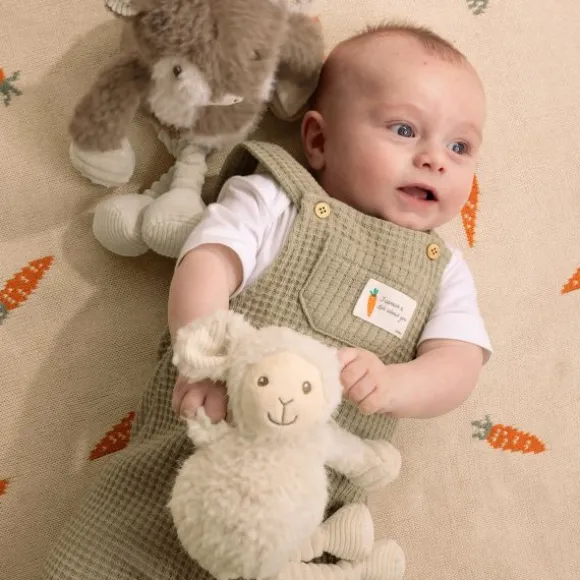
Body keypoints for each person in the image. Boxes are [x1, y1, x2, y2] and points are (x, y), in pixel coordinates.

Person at [43, 22, 491, 580]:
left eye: (460, 146)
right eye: (405, 129)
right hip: (181, 466)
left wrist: (399, 385)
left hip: (300, 528)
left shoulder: (443, 270)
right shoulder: (274, 199)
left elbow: (459, 364)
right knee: (96, 558)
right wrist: (204, 359)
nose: (435, 160)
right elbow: (207, 262)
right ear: (319, 140)